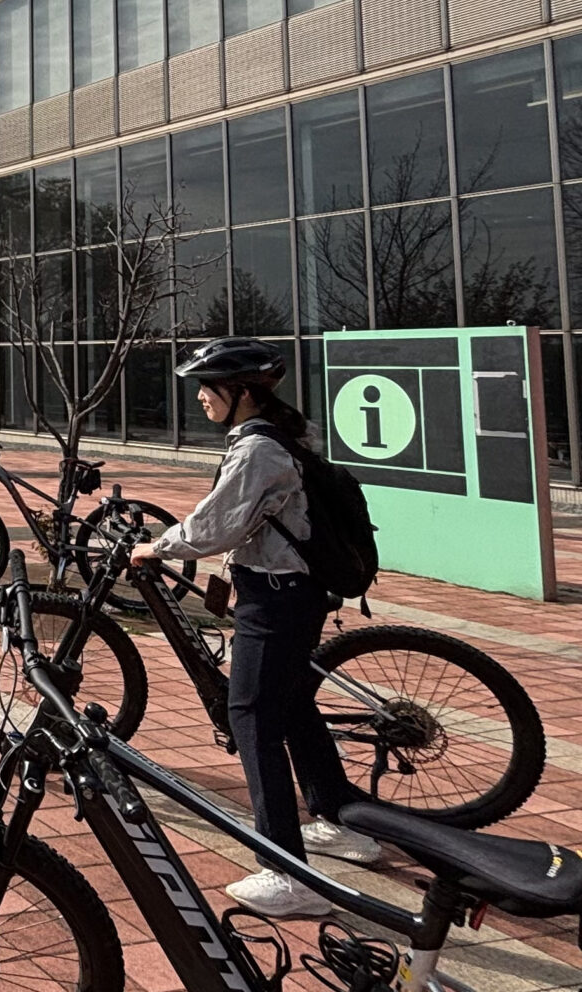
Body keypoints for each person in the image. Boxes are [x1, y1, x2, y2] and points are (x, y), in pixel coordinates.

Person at [132, 336, 376, 918]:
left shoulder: (258, 452)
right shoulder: (280, 436)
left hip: (277, 597)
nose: (200, 399)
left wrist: (156, 548)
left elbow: (214, 525)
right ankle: (341, 819)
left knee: (251, 717)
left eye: (208, 388)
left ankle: (288, 872)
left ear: (241, 392)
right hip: (291, 591)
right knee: (291, 707)